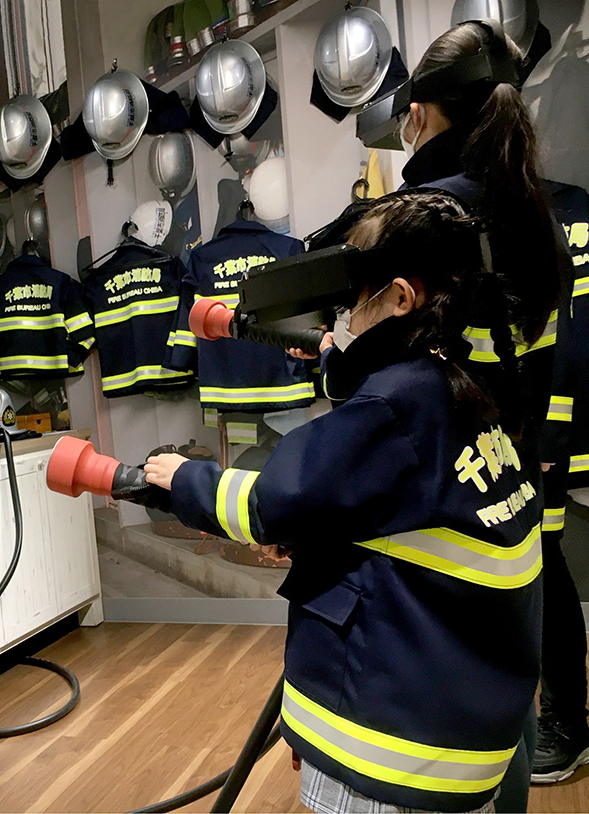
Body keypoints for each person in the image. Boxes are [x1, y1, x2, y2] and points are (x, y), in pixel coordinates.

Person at [145, 191, 543, 814]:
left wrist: (185, 479)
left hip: (393, 757)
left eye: (352, 302)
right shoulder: (467, 387)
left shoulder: (393, 406)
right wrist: (344, 354)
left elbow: (271, 504)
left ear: (401, 298)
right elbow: (400, 501)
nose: (340, 320)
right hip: (467, 730)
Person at [392, 19, 580, 788]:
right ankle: (552, 729)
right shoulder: (534, 210)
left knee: (451, 614)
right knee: (537, 584)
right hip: (519, 448)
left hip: (447, 459)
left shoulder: (433, 211)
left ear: (423, 112)